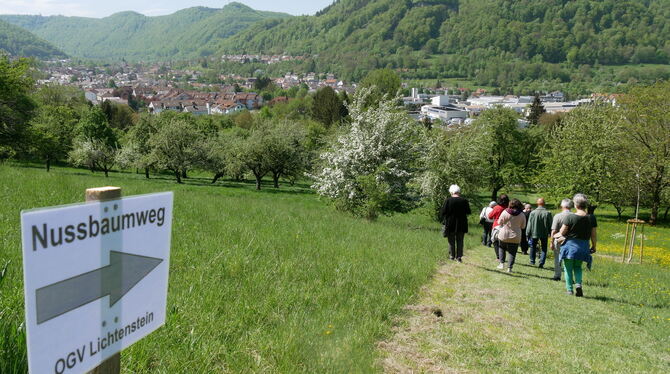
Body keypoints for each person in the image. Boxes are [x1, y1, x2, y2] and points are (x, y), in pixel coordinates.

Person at [557, 194, 597, 296]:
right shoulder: (591, 218)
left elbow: (562, 232)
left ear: (575, 205)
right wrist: (594, 246)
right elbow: (593, 235)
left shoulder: (570, 217)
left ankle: (569, 290)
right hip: (583, 246)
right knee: (578, 267)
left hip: (570, 246)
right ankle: (578, 284)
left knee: (568, 268)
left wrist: (556, 235)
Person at [439, 185, 471, 262]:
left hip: (450, 223)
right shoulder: (464, 200)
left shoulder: (448, 200)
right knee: (460, 241)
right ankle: (459, 257)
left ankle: (452, 256)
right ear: (458, 191)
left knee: (451, 240)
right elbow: (468, 212)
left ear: (451, 192)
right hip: (461, 224)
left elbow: (443, 212)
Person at [496, 198, 527, 273]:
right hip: (515, 236)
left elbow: (499, 222)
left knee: (501, 248)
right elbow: (523, 227)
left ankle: (501, 263)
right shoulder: (522, 214)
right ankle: (509, 268)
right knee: (512, 252)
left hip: (504, 234)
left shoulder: (505, 212)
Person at [550, 198, 573, 281]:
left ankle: (557, 275)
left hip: (559, 240)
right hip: (571, 241)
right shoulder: (574, 216)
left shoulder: (558, 216)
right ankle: (570, 277)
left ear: (562, 206)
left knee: (557, 258)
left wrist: (551, 242)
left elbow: (554, 231)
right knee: (569, 259)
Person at [527, 198, 553, 267]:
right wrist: (551, 234)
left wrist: (527, 233)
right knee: (544, 248)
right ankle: (541, 262)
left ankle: (532, 261)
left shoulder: (532, 213)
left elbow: (529, 224)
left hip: (534, 232)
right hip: (544, 232)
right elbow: (551, 224)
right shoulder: (548, 213)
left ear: (537, 203)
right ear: (544, 204)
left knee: (533, 246)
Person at [488, 194, 509, 261]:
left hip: (497, 226)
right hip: (506, 226)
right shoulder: (509, 208)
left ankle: (498, 257)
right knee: (503, 242)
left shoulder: (497, 207)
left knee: (495, 241)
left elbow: (490, 216)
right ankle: (502, 257)